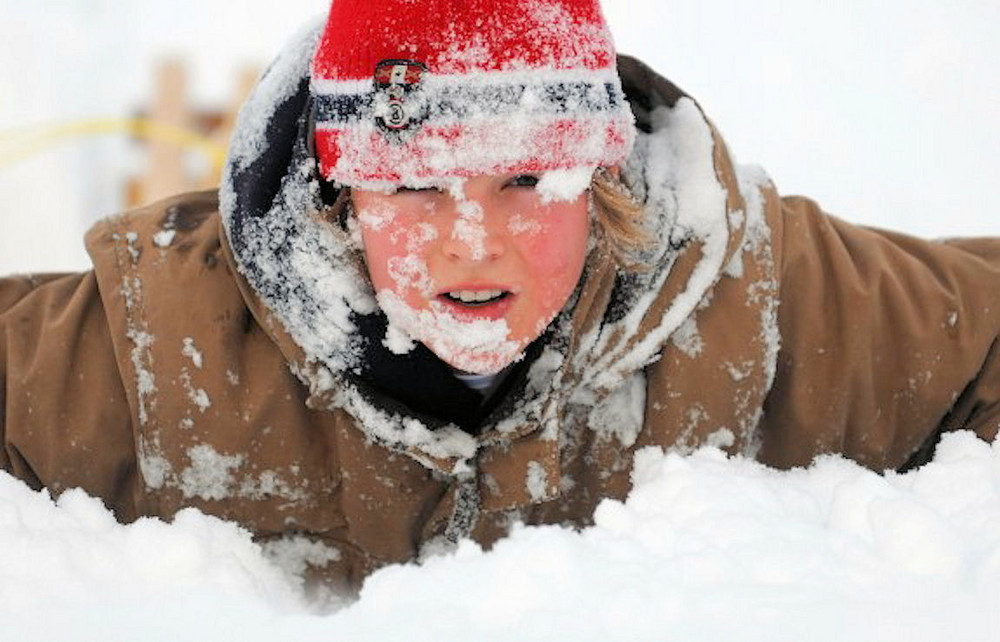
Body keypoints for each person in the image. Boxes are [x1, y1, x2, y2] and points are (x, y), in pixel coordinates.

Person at [3, 0, 1000, 594]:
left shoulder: (752, 295)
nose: (470, 246)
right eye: (415, 188)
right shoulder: (172, 343)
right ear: (342, 197)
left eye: (526, 184)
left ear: (604, 186)